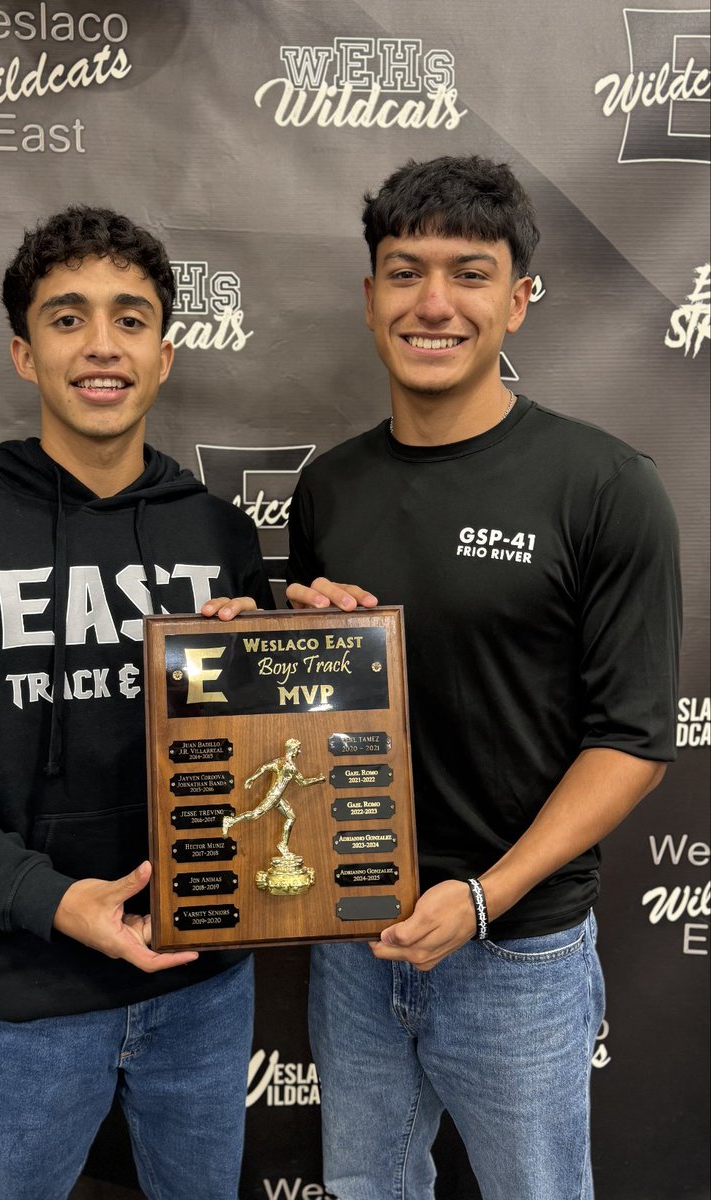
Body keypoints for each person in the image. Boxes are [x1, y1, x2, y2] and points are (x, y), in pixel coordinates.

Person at [0, 206, 273, 1200]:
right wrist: (53, 902)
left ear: (166, 355)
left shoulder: (220, 532)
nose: (101, 346)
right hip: (24, 989)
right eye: (67, 317)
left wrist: (273, 664)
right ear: (22, 351)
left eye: (131, 320)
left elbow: (260, 750)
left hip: (203, 984)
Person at [285, 155, 681, 1200]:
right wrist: (275, 647)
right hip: (354, 943)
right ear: (369, 297)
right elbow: (312, 716)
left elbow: (632, 743)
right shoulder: (328, 488)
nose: (432, 303)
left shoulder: (604, 485)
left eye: (468, 273)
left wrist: (482, 897)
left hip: (521, 956)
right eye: (404, 271)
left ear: (519, 299)